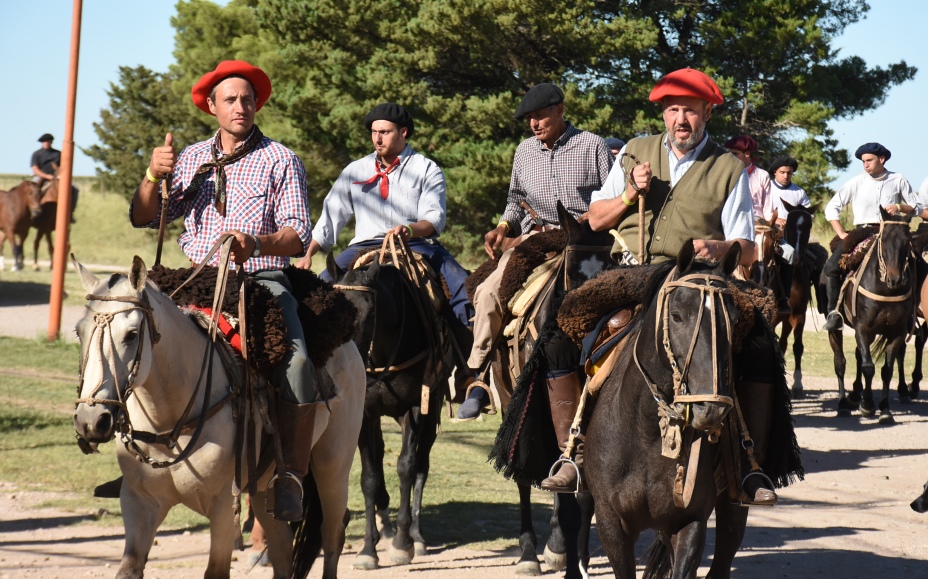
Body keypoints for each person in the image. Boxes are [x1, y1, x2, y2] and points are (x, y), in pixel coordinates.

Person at [541, 68, 788, 506]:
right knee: (559, 336)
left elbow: (748, 250)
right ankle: (572, 453)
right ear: (663, 113)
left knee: (760, 346)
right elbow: (594, 219)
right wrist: (627, 196)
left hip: (698, 281)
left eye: (690, 111)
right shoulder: (635, 152)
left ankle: (751, 465)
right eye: (673, 110)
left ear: (707, 113)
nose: (680, 120)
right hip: (631, 272)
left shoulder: (728, 168)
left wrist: (718, 245)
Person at [130, 60, 316, 522]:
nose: (241, 107)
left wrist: (258, 243)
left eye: (248, 99)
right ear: (212, 106)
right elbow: (143, 217)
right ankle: (137, 457)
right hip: (194, 278)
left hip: (260, 278)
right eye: (231, 99)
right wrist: (153, 176)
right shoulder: (189, 159)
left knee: (297, 361)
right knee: (130, 336)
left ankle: (290, 475)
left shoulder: (280, 158)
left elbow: (296, 234)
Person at [455, 83, 614, 420]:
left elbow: (611, 196)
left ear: (560, 110)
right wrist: (502, 227)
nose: (534, 123)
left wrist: (589, 218)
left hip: (584, 243)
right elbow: (514, 202)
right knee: (486, 294)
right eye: (529, 118)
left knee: (617, 301)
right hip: (535, 242)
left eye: (540, 116)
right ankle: (480, 377)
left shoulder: (592, 145)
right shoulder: (524, 151)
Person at [297, 103, 473, 355]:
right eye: (373, 131)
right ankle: (318, 366)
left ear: (403, 132)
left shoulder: (426, 168)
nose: (377, 138)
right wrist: (309, 253)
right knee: (319, 291)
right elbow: (331, 215)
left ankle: (469, 368)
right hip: (363, 246)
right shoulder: (355, 170)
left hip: (414, 243)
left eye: (385, 132)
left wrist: (410, 230)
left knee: (461, 287)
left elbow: (434, 219)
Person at [821, 142, 921, 331]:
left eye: (869, 160)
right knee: (832, 266)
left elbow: (918, 207)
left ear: (881, 159)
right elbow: (831, 208)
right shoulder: (856, 182)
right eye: (863, 161)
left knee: (919, 264)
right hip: (862, 232)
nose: (865, 164)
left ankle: (910, 313)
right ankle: (834, 312)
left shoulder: (898, 179)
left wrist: (900, 207)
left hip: (891, 233)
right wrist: (842, 233)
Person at [769, 155, 812, 309]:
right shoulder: (767, 188)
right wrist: (776, 219)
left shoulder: (799, 192)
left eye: (789, 173)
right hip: (770, 232)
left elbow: (808, 214)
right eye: (782, 172)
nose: (786, 175)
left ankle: (824, 303)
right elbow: (757, 209)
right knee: (787, 254)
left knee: (818, 258)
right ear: (775, 172)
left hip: (795, 234)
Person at [724, 134, 773, 223]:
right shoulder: (725, 174)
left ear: (747, 154)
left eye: (735, 153)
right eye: (730, 154)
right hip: (730, 220)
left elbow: (768, 205)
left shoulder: (762, 175)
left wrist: (769, 225)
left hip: (756, 221)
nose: (731, 157)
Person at [30, 133, 78, 217]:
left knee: (75, 188)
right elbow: (35, 169)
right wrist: (47, 176)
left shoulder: (58, 154)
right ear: (42, 143)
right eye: (44, 141)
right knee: (32, 189)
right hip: (41, 176)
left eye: (48, 141)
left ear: (51, 142)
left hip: (57, 177)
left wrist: (58, 175)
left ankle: (70, 212)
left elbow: (63, 167)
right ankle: (32, 211)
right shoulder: (36, 154)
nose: (46, 143)